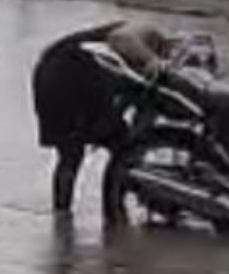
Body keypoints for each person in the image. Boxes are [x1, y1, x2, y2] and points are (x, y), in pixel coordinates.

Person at [30, 19, 182, 213]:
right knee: (82, 152)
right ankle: (107, 215)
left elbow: (139, 123)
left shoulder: (145, 76)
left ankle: (64, 218)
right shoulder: (148, 33)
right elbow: (121, 37)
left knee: (102, 149)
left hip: (56, 74)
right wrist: (152, 60)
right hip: (65, 69)